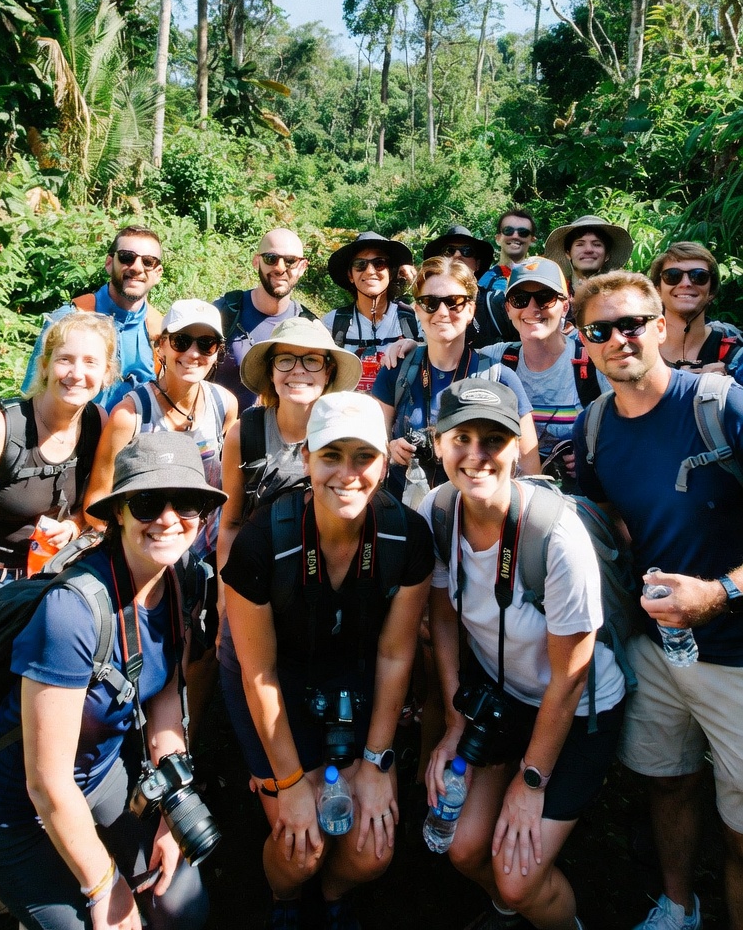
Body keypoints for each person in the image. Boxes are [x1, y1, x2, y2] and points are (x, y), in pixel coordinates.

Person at [0, 432, 226, 930]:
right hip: (20, 809)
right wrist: (103, 884)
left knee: (181, 906)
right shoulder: (72, 613)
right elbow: (46, 782)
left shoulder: (177, 579)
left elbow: (168, 701)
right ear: (120, 512)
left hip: (100, 778)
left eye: (188, 503)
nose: (169, 520)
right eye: (148, 503)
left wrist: (175, 806)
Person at [220, 392, 434, 930]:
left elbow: (394, 651)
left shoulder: (406, 535)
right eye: (331, 455)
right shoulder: (263, 540)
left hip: (352, 674)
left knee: (371, 850)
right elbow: (258, 671)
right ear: (308, 459)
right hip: (271, 681)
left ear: (385, 464)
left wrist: (376, 761)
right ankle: (285, 903)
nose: (347, 473)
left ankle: (335, 899)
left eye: (363, 457)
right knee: (301, 846)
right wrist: (291, 782)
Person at [573, 270, 743, 930]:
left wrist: (720, 592)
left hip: (734, 656)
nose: (618, 338)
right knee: (668, 782)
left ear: (663, 327)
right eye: (601, 330)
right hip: (655, 650)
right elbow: (608, 518)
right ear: (585, 345)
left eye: (632, 323)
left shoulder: (720, 405)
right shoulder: (593, 431)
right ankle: (678, 903)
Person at [423, 377, 625, 930]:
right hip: (502, 695)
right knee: (464, 849)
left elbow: (571, 677)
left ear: (518, 445)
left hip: (579, 709)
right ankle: (510, 912)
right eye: (461, 437)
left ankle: (550, 912)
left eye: (494, 439)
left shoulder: (553, 536)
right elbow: (442, 616)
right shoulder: (437, 512)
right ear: (437, 442)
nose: (476, 456)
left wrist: (530, 782)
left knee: (518, 873)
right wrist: (452, 719)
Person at [84, 299, 237, 736]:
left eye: (206, 344)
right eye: (182, 341)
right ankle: (139, 745)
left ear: (218, 352)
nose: (193, 353)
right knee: (154, 648)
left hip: (202, 552)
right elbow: (99, 498)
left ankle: (186, 745)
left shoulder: (223, 404)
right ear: (162, 347)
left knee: (202, 647)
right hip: (143, 555)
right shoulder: (132, 413)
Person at [0, 311, 118, 608]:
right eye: (65, 359)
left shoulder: (98, 423)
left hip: (50, 576)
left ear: (107, 374)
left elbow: (93, 509)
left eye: (90, 362)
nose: (76, 373)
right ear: (44, 366)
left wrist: (73, 525)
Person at [216, 317, 362, 636]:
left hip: (325, 589)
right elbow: (230, 524)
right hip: (256, 585)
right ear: (271, 371)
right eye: (285, 359)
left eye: (311, 360)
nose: (298, 370)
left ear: (329, 371)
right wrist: (225, 598)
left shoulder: (348, 435)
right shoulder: (246, 434)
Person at [372, 257, 539, 499]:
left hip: (478, 514)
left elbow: (529, 471)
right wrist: (389, 449)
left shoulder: (500, 378)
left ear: (471, 309)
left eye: (454, 303)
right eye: (430, 303)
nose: (442, 312)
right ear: (417, 310)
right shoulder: (396, 370)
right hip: (408, 514)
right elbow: (370, 448)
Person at [480, 258, 608, 489]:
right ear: (508, 309)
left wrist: (598, 456)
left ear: (566, 306)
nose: (532, 308)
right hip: (518, 495)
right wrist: (410, 347)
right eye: (520, 300)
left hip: (584, 498)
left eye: (545, 298)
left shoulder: (593, 361)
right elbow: (444, 356)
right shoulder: (496, 358)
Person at [23, 226, 164, 411]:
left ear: (158, 273)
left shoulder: (163, 332)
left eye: (148, 261)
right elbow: (32, 392)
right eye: (126, 257)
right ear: (108, 263)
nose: (137, 268)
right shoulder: (68, 319)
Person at [212, 228, 316, 412]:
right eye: (271, 258)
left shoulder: (309, 326)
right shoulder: (224, 311)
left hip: (276, 436)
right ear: (256, 261)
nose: (280, 268)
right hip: (219, 433)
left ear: (302, 267)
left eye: (290, 261)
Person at [322, 232, 419, 391]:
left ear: (391, 272)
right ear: (350, 275)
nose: (369, 271)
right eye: (360, 264)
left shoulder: (412, 320)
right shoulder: (332, 323)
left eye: (379, 263)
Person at [649, 241, 743, 380]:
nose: (685, 283)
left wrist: (727, 387)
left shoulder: (735, 355)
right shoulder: (638, 347)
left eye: (699, 276)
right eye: (673, 276)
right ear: (658, 290)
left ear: (711, 291)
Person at [544, 215, 632, 298]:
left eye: (597, 244)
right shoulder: (554, 297)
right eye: (580, 244)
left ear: (607, 255)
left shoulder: (622, 296)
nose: (588, 250)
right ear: (568, 253)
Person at [478, 210, 538, 294]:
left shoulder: (539, 278)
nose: (515, 236)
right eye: (508, 231)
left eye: (523, 232)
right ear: (498, 239)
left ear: (532, 240)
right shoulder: (485, 281)